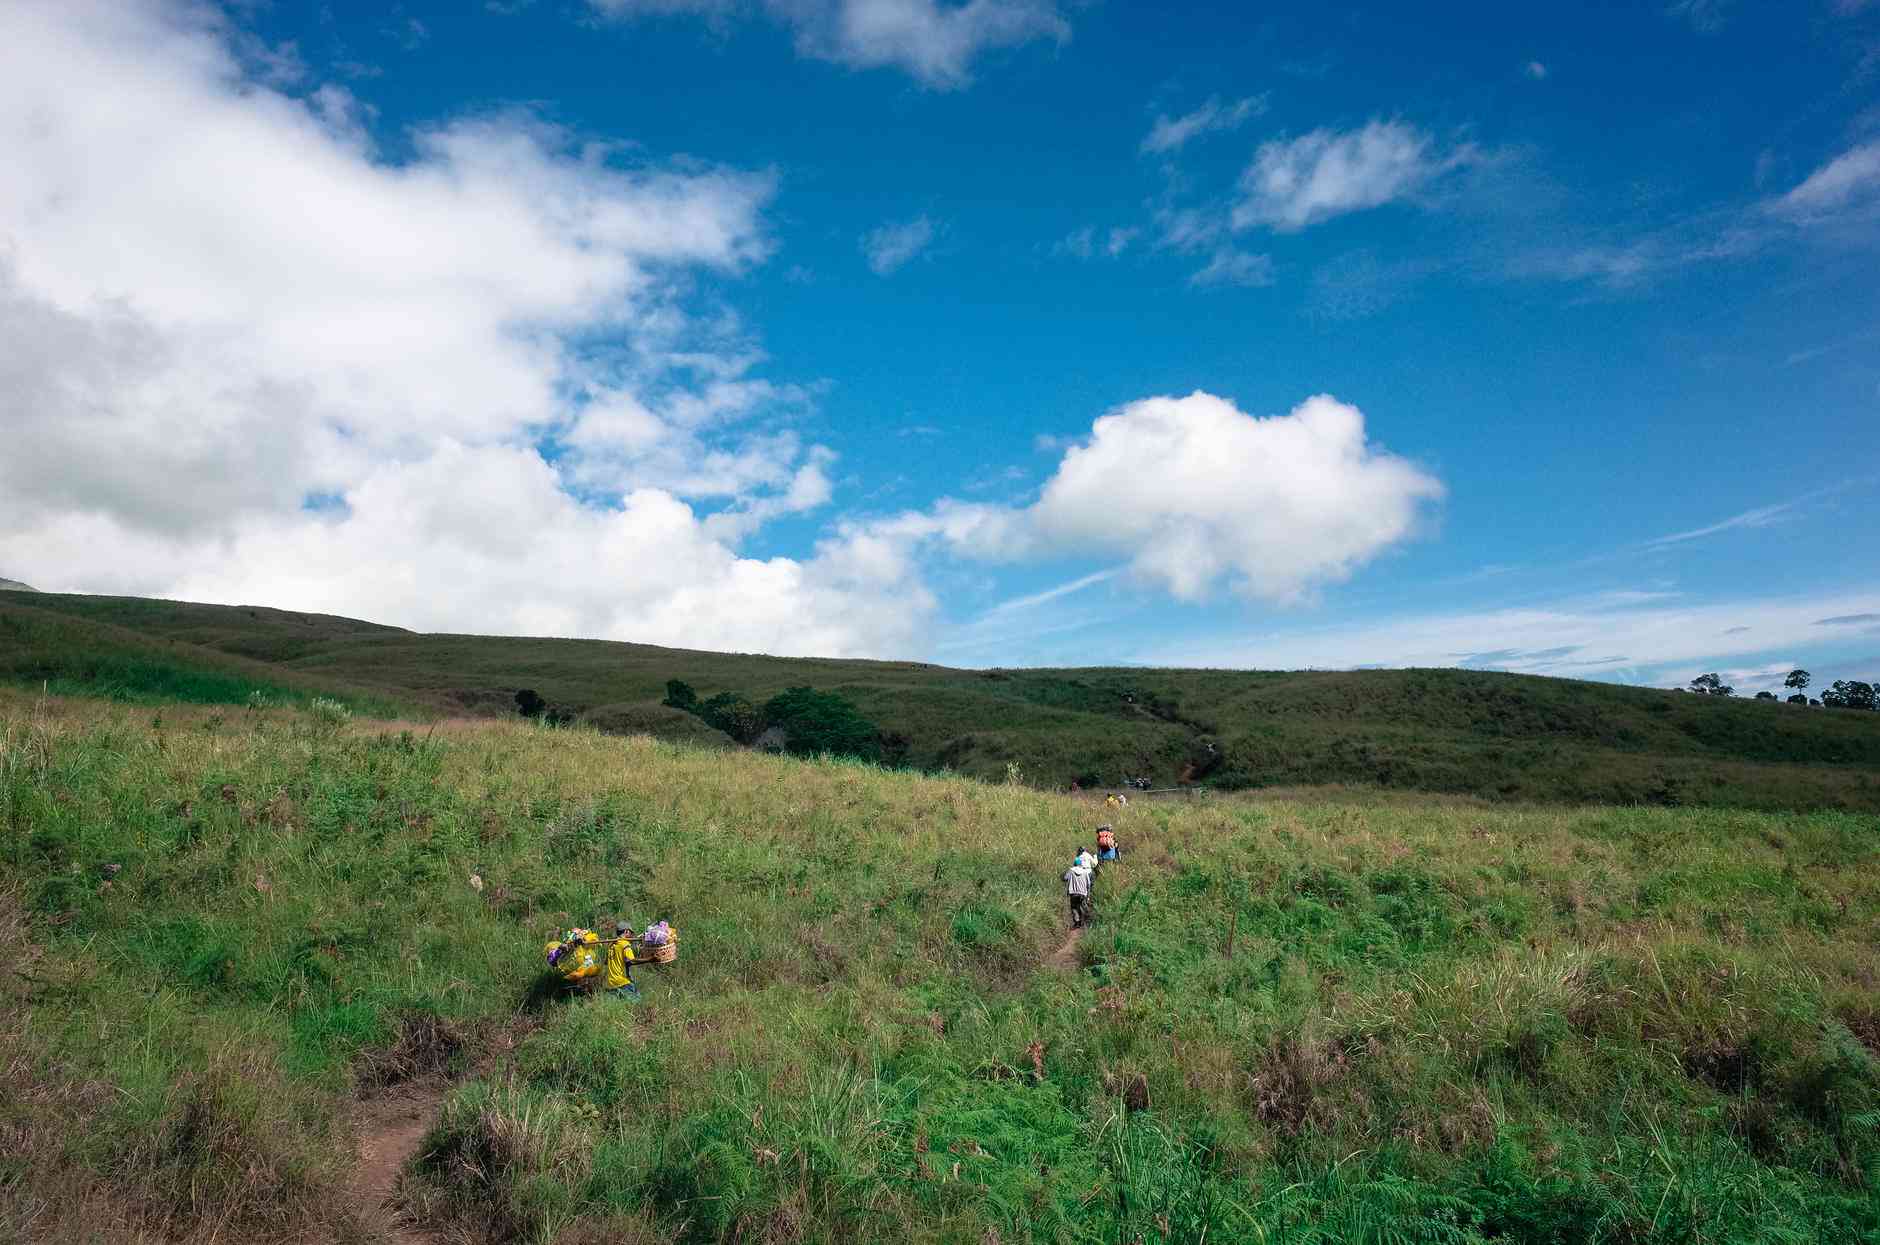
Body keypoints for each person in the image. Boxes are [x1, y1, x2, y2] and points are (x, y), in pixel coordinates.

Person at [603, 920, 639, 1000]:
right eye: (630, 932)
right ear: (626, 931)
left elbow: (606, 962)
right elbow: (633, 961)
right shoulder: (625, 944)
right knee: (637, 1001)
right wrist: (650, 959)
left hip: (611, 983)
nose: (631, 935)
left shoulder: (611, 944)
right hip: (622, 982)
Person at [1063, 859, 1093, 928]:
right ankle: (1083, 921)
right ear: (1081, 864)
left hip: (1073, 893)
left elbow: (1065, 878)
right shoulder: (1085, 872)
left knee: (1074, 907)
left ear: (1074, 864)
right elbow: (1088, 884)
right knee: (1081, 906)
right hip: (1083, 893)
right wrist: (1088, 895)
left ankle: (1077, 921)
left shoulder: (1071, 870)